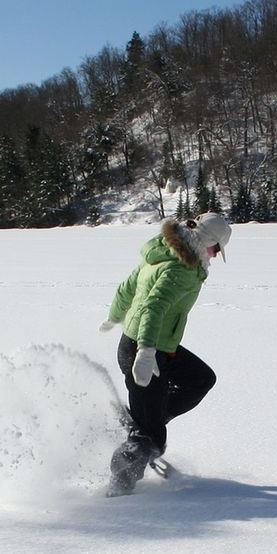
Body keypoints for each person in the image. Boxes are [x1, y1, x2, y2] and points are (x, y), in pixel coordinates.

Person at [99, 212, 232, 494]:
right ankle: (119, 487)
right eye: (215, 249)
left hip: (154, 346)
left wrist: (114, 317)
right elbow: (153, 308)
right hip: (145, 351)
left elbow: (128, 287)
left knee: (200, 379)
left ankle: (146, 418)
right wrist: (146, 352)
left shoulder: (163, 252)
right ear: (206, 241)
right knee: (152, 440)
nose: (214, 256)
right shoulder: (180, 269)